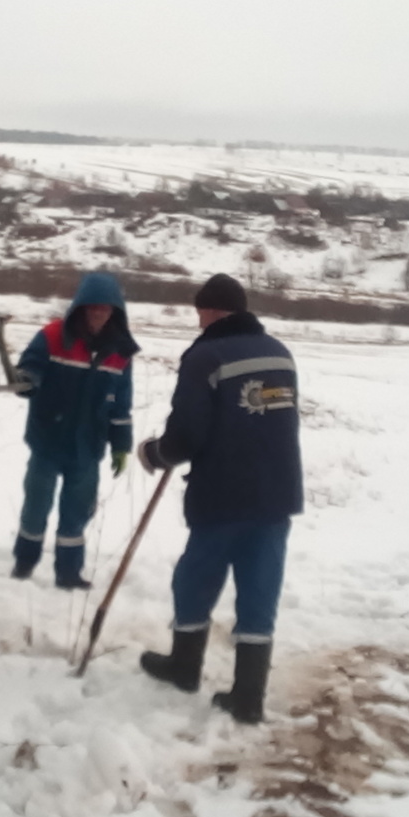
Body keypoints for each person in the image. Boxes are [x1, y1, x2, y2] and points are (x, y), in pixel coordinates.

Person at [136, 273, 302, 724]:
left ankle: (184, 667)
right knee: (259, 588)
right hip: (277, 494)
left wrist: (154, 453)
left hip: (224, 495)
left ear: (208, 311)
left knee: (196, 578)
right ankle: (249, 696)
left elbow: (187, 437)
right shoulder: (280, 354)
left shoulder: (205, 355)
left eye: (199, 313)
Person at [12, 272, 139, 589]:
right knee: (36, 506)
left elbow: (121, 404)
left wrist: (121, 444)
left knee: (78, 511)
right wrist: (28, 380)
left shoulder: (121, 352)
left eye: (105, 308)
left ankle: (68, 573)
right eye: (93, 306)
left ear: (115, 311)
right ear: (81, 307)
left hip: (88, 446)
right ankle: (24, 564)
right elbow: (30, 364)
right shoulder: (53, 335)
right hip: (47, 439)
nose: (98, 312)